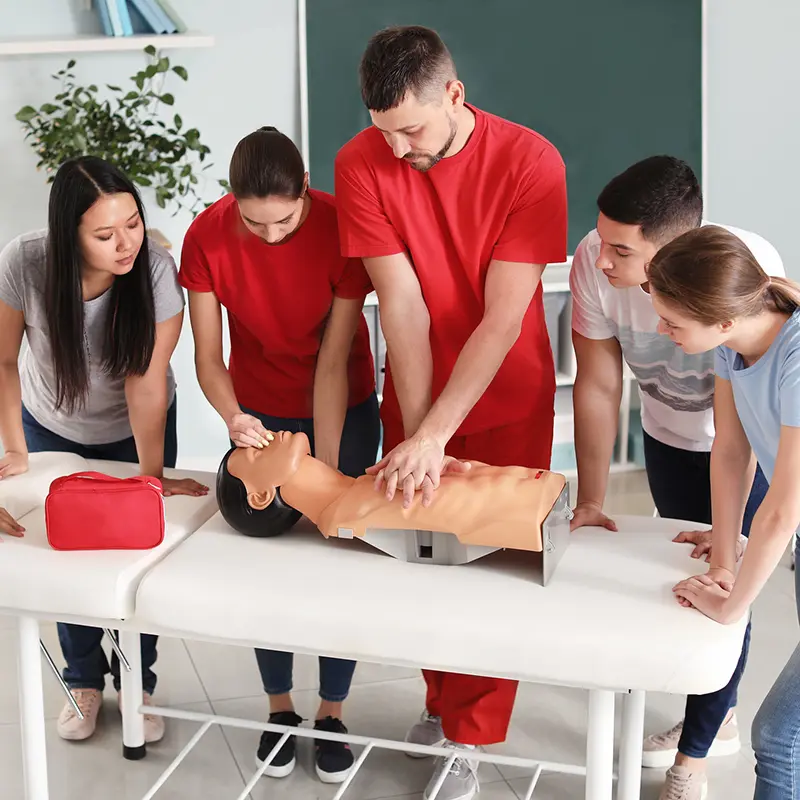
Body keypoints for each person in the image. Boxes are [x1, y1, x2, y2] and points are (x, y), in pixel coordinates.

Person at [334, 25, 567, 800]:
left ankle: (471, 737)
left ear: (454, 95)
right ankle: (440, 705)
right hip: (418, 390)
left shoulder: (531, 161)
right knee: (425, 557)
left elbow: (502, 319)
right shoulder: (360, 162)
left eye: (412, 130)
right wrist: (419, 431)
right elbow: (400, 306)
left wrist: (435, 434)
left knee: (493, 571)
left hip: (510, 391)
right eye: (384, 132)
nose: (398, 149)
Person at [568, 155, 784, 800]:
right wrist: (593, 498)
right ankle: (711, 715)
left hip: (751, 459)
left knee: (730, 592)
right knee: (691, 579)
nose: (603, 260)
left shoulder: (737, 277)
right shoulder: (595, 263)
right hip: (672, 439)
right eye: (602, 239)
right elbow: (599, 383)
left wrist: (729, 558)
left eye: (622, 250)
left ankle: (696, 753)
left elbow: (745, 451)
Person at [178, 126, 380, 784]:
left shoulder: (340, 228)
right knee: (266, 566)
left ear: (305, 193)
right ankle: (280, 709)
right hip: (259, 417)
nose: (270, 235)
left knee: (338, 558)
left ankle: (332, 713)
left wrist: (327, 473)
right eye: (253, 222)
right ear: (232, 201)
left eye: (285, 221)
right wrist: (234, 417)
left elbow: (332, 362)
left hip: (341, 408)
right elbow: (208, 357)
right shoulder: (205, 239)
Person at [0, 155, 207, 744]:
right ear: (69, 235)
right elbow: (3, 360)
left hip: (135, 429)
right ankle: (83, 681)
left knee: (138, 552)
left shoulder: (156, 271)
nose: (127, 243)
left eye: (133, 224)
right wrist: (16, 449)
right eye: (105, 234)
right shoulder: (24, 262)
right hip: (51, 427)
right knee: (68, 558)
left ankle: (139, 682)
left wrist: (150, 477)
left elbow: (146, 380)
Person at [645, 225, 800, 800]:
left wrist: (732, 606)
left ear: (723, 318)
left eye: (672, 322)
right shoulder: (734, 345)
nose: (660, 331)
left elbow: (782, 508)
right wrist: (724, 556)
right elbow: (732, 451)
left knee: (779, 739)